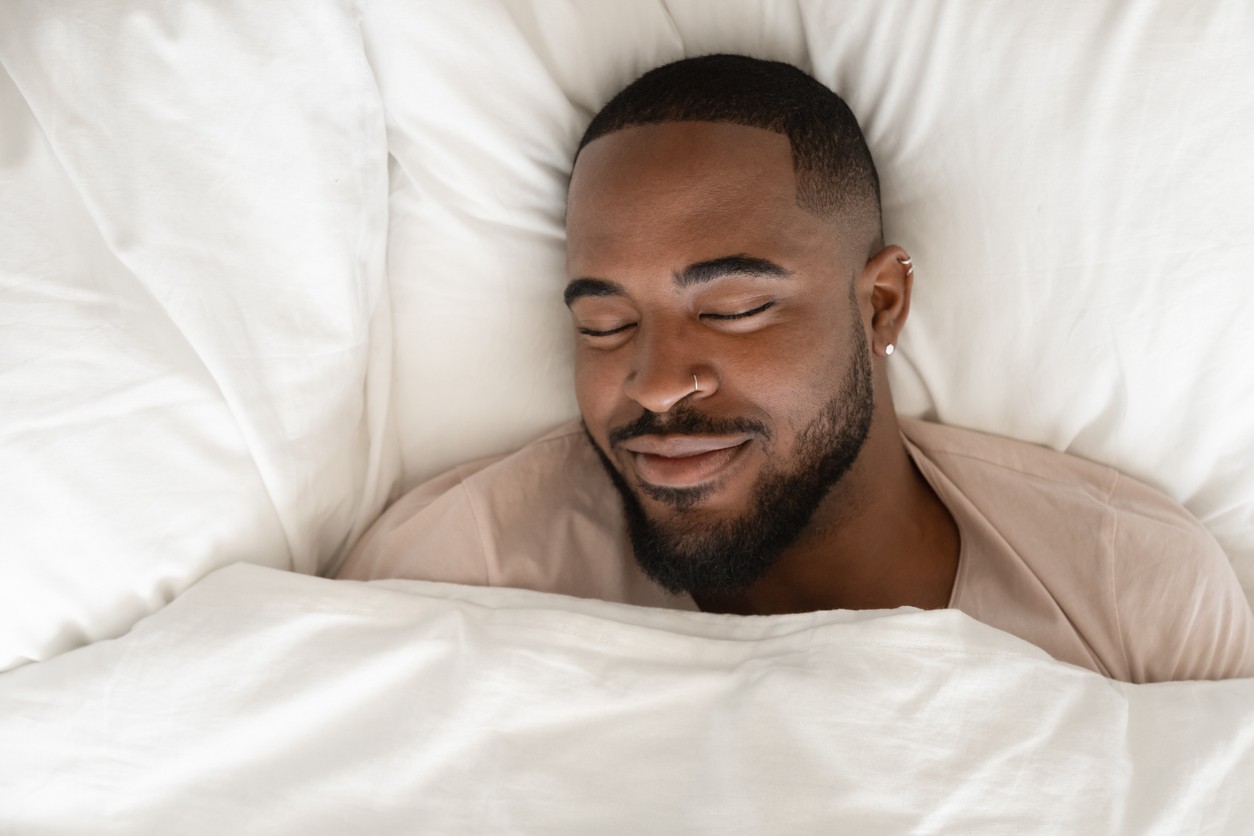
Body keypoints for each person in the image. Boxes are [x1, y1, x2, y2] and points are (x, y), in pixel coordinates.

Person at [337, 54, 1254, 683]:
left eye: (732, 310)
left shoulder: (1132, 591)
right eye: (606, 324)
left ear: (880, 305)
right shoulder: (448, 582)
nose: (655, 385)